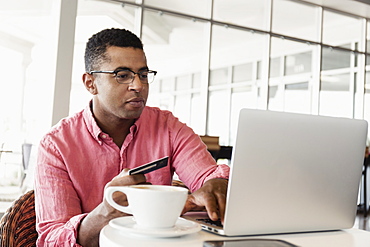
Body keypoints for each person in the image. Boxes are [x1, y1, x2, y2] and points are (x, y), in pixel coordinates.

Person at [34, 28, 229, 247]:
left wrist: (217, 183)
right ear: (91, 83)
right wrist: (105, 212)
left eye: (143, 75)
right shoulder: (56, 145)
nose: (138, 86)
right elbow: (53, 240)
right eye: (122, 75)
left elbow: (208, 176)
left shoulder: (168, 127)